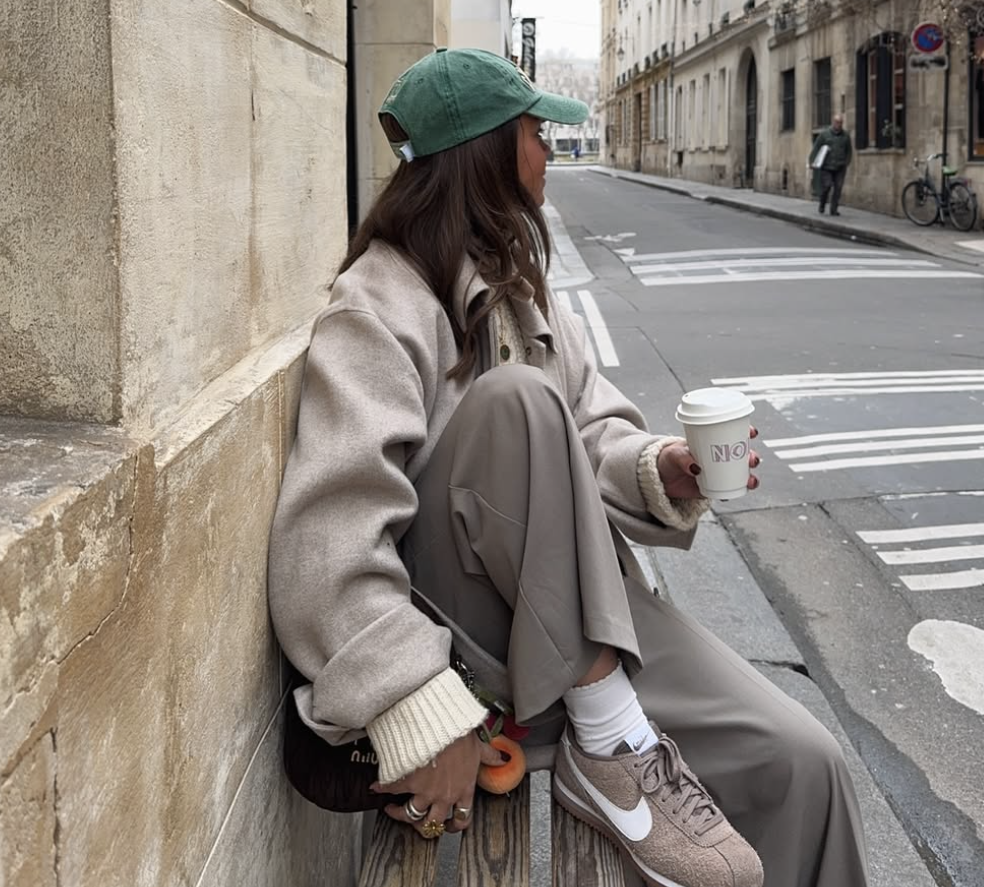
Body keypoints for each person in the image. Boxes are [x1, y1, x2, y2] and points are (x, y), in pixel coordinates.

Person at [268, 48, 869, 887]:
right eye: (534, 132)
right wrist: (415, 698)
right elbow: (328, 542)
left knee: (805, 761)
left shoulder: (518, 291)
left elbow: (587, 435)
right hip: (462, 640)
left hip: (575, 618)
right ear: (486, 150)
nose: (548, 149)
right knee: (516, 401)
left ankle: (609, 725)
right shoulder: (376, 305)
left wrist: (663, 467)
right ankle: (611, 739)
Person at [810, 114, 853, 216]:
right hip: (827, 166)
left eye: (841, 123)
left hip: (840, 166)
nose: (839, 125)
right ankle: (822, 203)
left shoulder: (845, 136)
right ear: (833, 122)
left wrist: (846, 162)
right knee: (827, 186)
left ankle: (834, 209)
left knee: (838, 188)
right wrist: (812, 161)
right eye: (837, 122)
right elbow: (816, 148)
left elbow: (849, 150)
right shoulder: (824, 135)